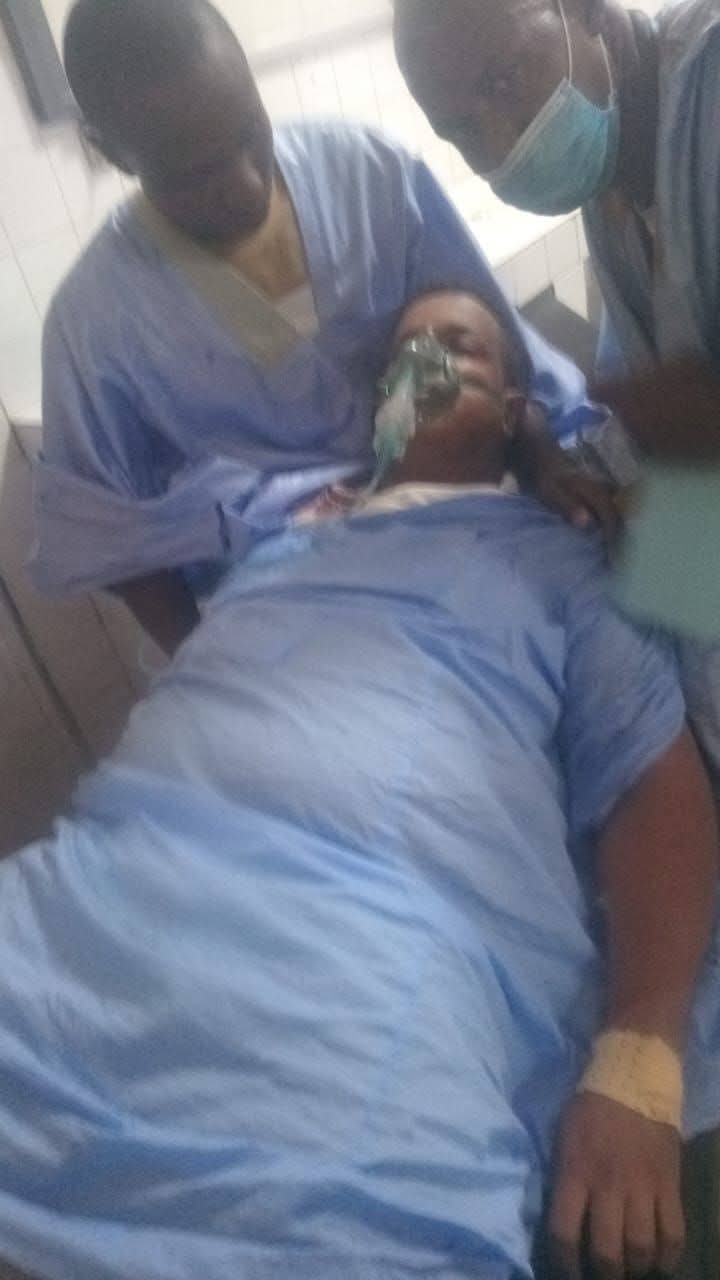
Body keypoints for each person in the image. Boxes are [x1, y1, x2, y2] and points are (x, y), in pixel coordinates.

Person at [1, 290, 719, 1280]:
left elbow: (658, 788)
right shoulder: (279, 539)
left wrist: (639, 1061)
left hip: (346, 1014)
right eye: (405, 354)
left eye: (460, 347)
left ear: (514, 407)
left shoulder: (559, 559)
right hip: (69, 926)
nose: (427, 363)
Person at [35, 0, 602, 659]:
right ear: (113, 152)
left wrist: (542, 456)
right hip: (291, 613)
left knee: (605, 645)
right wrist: (205, 664)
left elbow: (492, 342)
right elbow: (115, 542)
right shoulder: (96, 322)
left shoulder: (368, 175)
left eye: (250, 133)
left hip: (469, 519)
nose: (245, 184)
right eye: (194, 177)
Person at [393, 0, 720, 773]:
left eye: (503, 82)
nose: (500, 144)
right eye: (461, 131)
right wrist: (564, 465)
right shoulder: (613, 176)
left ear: (588, 11)